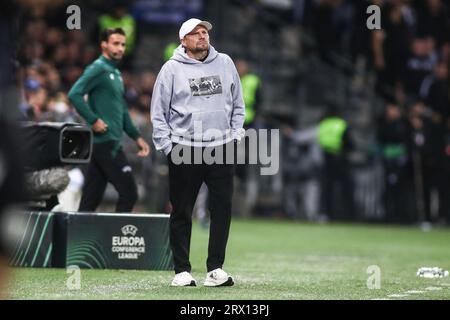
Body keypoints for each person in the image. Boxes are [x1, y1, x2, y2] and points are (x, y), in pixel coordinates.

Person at [151, 18, 245, 287]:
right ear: (183, 40)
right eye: (195, 33)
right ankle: (182, 270)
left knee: (222, 210)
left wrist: (236, 135)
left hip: (220, 148)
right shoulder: (170, 69)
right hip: (184, 148)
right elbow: (158, 112)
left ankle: (215, 269)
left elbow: (238, 103)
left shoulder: (225, 62)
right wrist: (168, 147)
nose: (202, 36)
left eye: (204, 32)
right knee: (182, 211)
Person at [68, 27, 150, 213]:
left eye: (123, 44)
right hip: (106, 143)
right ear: (103, 44)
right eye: (115, 43)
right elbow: (75, 94)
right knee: (129, 193)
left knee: (90, 200)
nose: (120, 48)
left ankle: (78, 239)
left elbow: (121, 109)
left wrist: (136, 137)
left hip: (108, 141)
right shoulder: (98, 68)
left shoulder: (116, 73)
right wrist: (93, 119)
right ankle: (118, 239)